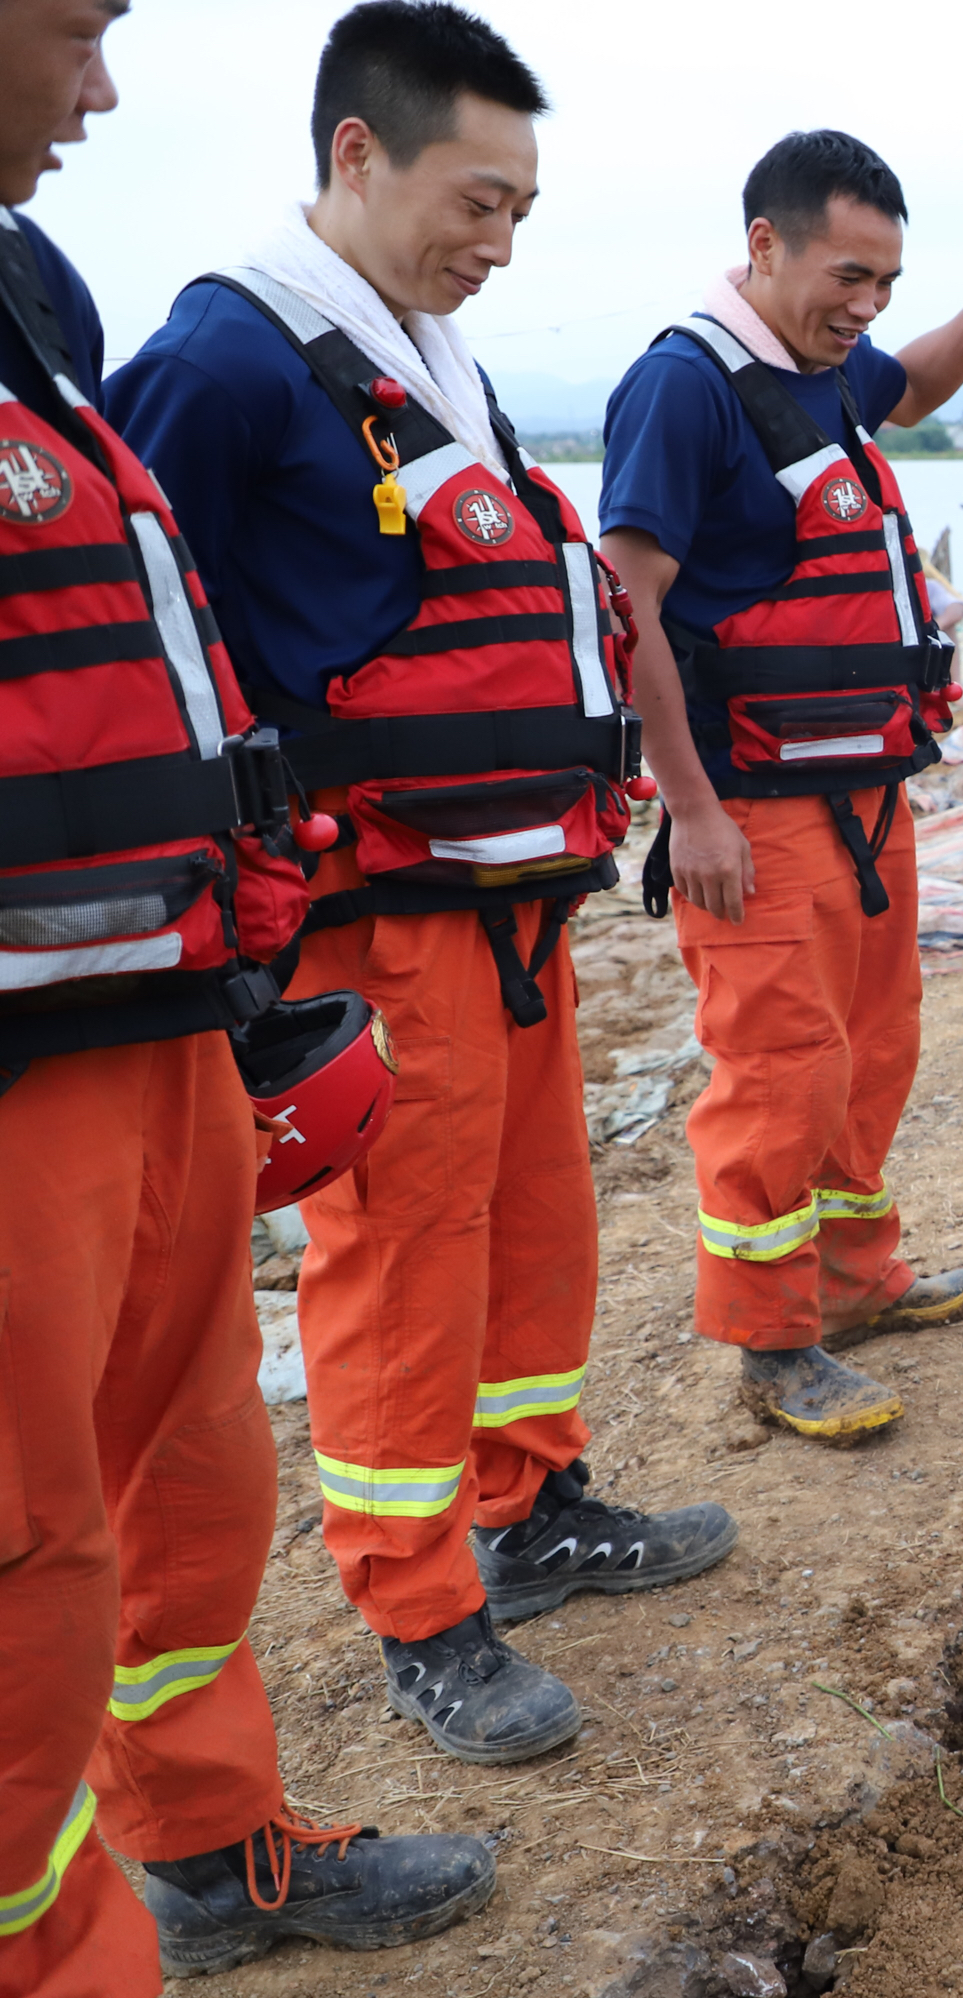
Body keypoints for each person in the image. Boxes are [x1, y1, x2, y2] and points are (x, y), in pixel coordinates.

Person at [112, 0, 735, 1772]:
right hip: (379, 911)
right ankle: (417, 1605)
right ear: (356, 154)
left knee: (534, 1229)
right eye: (478, 199)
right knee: (395, 1265)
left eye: (526, 208)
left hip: (517, 899)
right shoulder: (228, 363)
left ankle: (528, 1505)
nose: (503, 240)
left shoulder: (432, 360)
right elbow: (156, 643)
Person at [0, 6, 494, 1998]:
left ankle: (208, 1843)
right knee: (21, 1546)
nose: (106, 92)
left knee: (189, 1471)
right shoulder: (209, 347)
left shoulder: (33, 296)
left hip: (154, 1020)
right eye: (83, 32)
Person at [599, 132, 963, 1438]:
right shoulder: (683, 389)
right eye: (848, 275)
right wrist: (687, 809)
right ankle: (772, 1340)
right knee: (781, 1068)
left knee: (875, 1044)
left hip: (866, 785)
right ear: (764, 246)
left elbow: (908, 387)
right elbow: (628, 607)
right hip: (750, 802)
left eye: (889, 281)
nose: (867, 306)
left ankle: (860, 1278)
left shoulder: (823, 370)